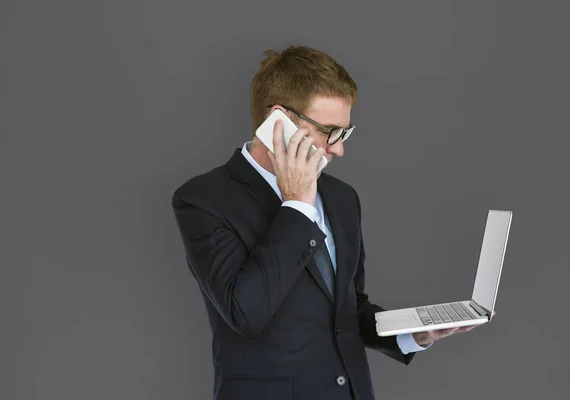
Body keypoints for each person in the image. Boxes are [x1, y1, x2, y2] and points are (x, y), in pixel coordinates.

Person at [171, 45, 482, 400]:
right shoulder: (204, 199)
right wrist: (297, 205)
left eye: (344, 134)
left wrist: (414, 334)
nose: (338, 149)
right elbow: (245, 313)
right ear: (279, 121)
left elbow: (348, 308)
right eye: (329, 131)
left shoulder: (341, 197)